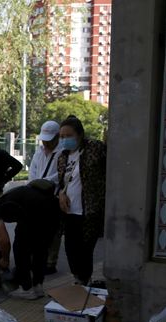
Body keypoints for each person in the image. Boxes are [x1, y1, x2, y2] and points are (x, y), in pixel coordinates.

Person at [0, 183, 61, 300]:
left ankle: (26, 289)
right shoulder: (9, 200)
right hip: (53, 212)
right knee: (40, 250)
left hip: (35, 213)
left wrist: (5, 259)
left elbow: (4, 240)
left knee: (20, 249)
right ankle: (38, 287)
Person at [56, 115, 107, 286]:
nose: (64, 140)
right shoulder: (62, 157)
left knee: (85, 251)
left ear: (80, 134)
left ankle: (84, 282)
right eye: (61, 136)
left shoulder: (95, 148)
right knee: (71, 250)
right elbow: (61, 182)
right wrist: (60, 195)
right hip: (69, 212)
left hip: (90, 211)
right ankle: (79, 280)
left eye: (68, 135)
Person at [28, 120, 63, 275]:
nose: (46, 143)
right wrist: (34, 184)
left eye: (49, 140)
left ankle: (50, 262)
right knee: (37, 231)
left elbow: (59, 176)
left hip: (53, 197)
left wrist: (43, 183)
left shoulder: (63, 153)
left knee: (54, 232)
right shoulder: (39, 152)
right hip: (36, 196)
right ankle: (38, 259)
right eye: (44, 139)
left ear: (57, 138)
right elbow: (33, 173)